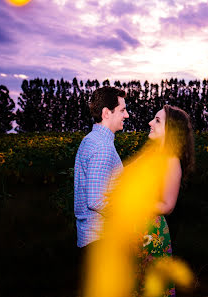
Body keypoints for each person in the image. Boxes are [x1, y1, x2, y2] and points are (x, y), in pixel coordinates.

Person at [133, 105, 195, 297]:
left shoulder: (171, 161)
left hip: (152, 236)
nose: (150, 123)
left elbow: (168, 205)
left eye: (157, 120)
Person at [74, 86, 129, 294]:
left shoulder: (93, 141)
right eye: (122, 110)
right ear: (107, 113)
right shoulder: (102, 147)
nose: (127, 115)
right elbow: (97, 200)